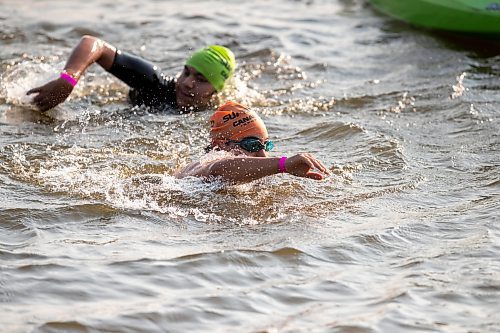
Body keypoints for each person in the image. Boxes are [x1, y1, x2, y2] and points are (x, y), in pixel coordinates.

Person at [26, 35, 236, 113]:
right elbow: (93, 43)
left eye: (201, 80)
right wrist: (68, 79)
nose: (187, 83)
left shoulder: (219, 116)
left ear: (217, 90)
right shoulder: (156, 84)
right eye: (186, 72)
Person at [175, 101, 330, 183]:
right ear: (220, 145)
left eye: (266, 145)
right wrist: (282, 165)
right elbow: (219, 168)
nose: (263, 156)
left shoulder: (252, 171)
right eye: (251, 145)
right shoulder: (206, 165)